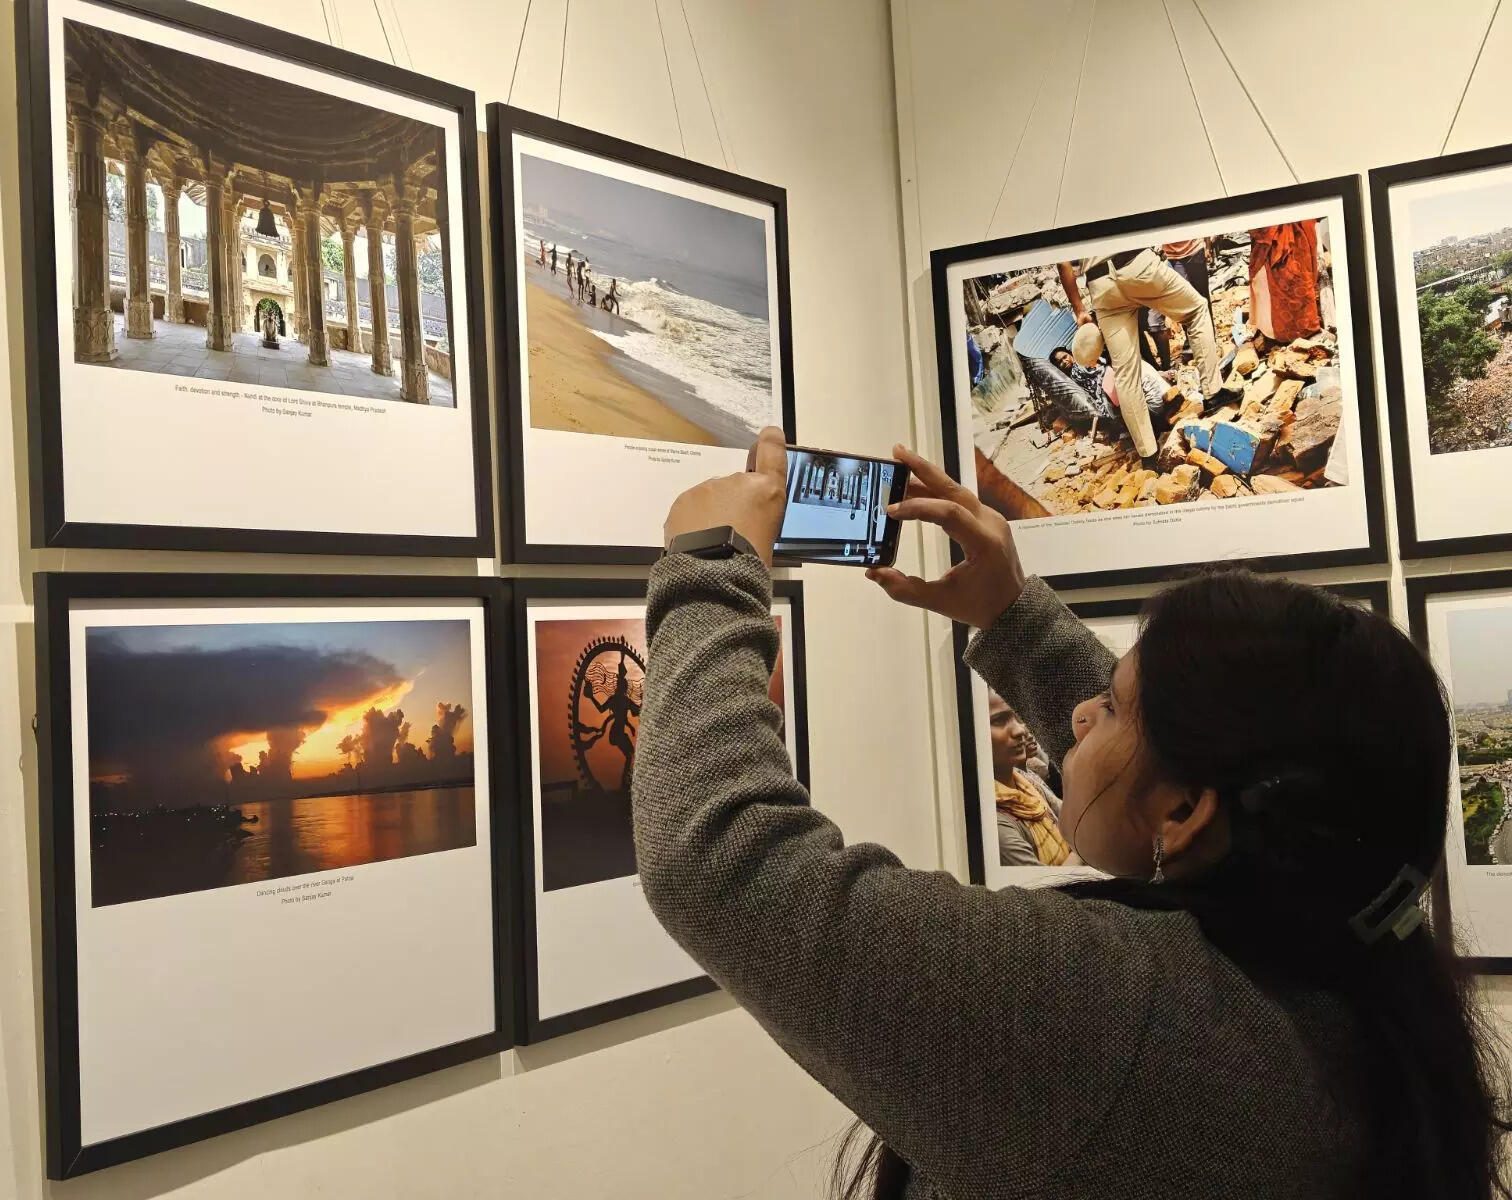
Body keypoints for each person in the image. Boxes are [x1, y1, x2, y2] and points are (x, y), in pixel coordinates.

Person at [639, 426, 1511, 1200]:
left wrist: (712, 564)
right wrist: (1010, 615)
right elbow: (1173, 773)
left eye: (1118, 707)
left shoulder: (1114, 1021)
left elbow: (720, 860)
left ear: (1187, 814)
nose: (1083, 712)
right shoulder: (1343, 969)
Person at [1057, 248, 1231, 464]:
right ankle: (1213, 392)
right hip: (1135, 263)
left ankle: (1148, 454)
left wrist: (1079, 310)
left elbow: (1063, 263)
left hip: (1101, 285)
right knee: (1196, 310)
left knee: (1125, 373)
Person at [988, 691, 1073, 867]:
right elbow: (1049, 889)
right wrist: (1082, 850)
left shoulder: (1026, 780)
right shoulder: (996, 825)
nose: (1020, 730)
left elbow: (1074, 818)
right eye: (999, 720)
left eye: (1015, 717)